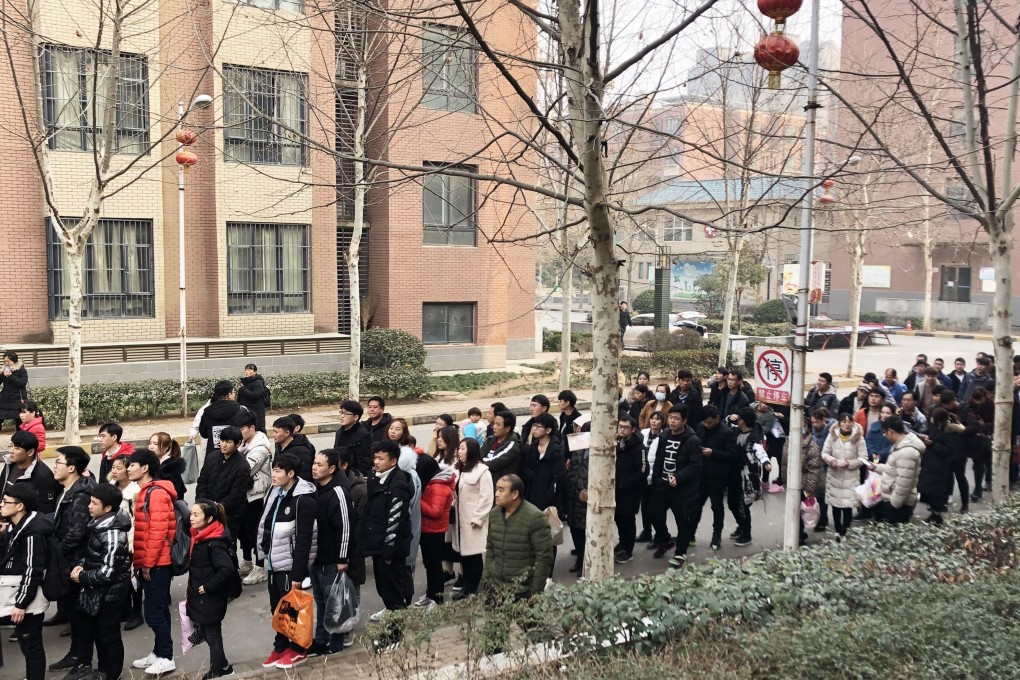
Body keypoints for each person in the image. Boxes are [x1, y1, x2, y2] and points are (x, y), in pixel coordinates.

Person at [257, 454, 318, 670]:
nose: (273, 475)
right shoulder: (276, 493)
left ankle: (299, 649)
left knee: (292, 611)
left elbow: (304, 542)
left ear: (291, 474)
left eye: (278, 471)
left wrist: (297, 575)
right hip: (274, 564)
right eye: (273, 470)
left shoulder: (304, 500)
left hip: (290, 567)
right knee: (278, 609)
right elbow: (266, 526)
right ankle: (281, 646)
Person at [71, 483, 132, 680]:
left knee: (110, 637)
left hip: (110, 595)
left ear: (107, 508)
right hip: (97, 593)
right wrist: (82, 565)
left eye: (94, 503)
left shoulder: (113, 534)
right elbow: (94, 556)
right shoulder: (99, 525)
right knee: (99, 634)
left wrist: (81, 576)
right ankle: (103, 670)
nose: (89, 506)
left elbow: (107, 573)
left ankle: (113, 675)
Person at [127, 450, 178, 676]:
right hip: (152, 562)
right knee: (159, 610)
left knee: (154, 613)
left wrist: (147, 564)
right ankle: (158, 652)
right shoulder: (147, 491)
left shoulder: (156, 494)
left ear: (145, 468)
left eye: (132, 465)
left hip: (157, 563)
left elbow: (157, 533)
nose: (128, 469)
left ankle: (166, 656)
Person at [47, 446, 97, 676]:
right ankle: (75, 654)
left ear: (71, 468)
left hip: (76, 563)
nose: (54, 466)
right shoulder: (66, 490)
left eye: (58, 462)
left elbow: (77, 532)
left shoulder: (80, 495)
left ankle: (83, 660)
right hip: (66, 562)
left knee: (80, 616)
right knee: (72, 613)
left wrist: (56, 553)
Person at [0, 483, 52, 680]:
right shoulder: (17, 526)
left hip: (24, 601)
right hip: (13, 595)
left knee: (31, 645)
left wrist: (21, 604)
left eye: (5, 502)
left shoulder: (31, 533)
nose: (1, 505)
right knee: (28, 643)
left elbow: (32, 571)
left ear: (20, 506)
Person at [362, 440, 414, 629]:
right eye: (375, 457)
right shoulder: (376, 478)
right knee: (383, 585)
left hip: (390, 548)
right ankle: (389, 609)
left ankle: (396, 629)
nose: (376, 462)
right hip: (377, 542)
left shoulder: (398, 485)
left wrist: (388, 552)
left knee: (393, 588)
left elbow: (396, 521)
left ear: (393, 462)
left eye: (380, 458)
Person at [186, 500, 238, 679]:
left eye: (196, 515)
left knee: (213, 634)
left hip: (210, 596)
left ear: (208, 519)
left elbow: (227, 569)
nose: (191, 518)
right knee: (207, 632)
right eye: (191, 514)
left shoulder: (213, 543)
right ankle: (223, 666)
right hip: (202, 596)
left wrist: (207, 587)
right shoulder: (199, 536)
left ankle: (216, 671)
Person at [309, 449, 353, 655]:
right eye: (314, 463)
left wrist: (342, 559)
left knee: (334, 605)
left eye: (320, 465)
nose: (314, 468)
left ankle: (335, 645)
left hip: (332, 561)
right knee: (320, 602)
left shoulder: (338, 492)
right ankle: (320, 640)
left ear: (332, 469)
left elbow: (345, 528)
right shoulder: (316, 489)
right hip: (316, 559)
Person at [483, 474, 553, 598]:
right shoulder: (494, 514)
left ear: (515, 494)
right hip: (495, 587)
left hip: (521, 590)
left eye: (501, 490)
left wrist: (534, 592)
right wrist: (487, 577)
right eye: (496, 489)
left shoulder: (535, 518)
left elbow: (544, 558)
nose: (496, 494)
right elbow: (490, 548)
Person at [649, 405, 702, 568]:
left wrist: (678, 477)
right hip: (662, 484)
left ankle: (680, 553)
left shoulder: (692, 440)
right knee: (654, 514)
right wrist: (656, 478)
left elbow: (695, 466)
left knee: (682, 521)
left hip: (681, 488)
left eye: (676, 418)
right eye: (670, 417)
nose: (672, 421)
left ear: (684, 421)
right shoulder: (664, 435)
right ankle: (665, 540)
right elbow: (659, 458)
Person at [196, 426, 251, 542]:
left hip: (229, 515)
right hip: (207, 510)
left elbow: (236, 495)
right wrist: (202, 503)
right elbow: (202, 481)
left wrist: (217, 508)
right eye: (222, 440)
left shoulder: (242, 466)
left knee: (226, 545)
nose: (223, 445)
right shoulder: (212, 457)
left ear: (238, 444)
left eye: (228, 442)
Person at [693, 405, 736, 551]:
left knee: (717, 507)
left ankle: (716, 536)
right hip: (700, 474)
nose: (707, 425)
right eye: (705, 422)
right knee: (695, 506)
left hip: (717, 477)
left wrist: (714, 453)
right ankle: (690, 533)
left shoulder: (727, 433)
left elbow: (732, 455)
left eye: (710, 422)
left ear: (717, 418)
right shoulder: (701, 427)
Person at [865, 416, 923, 525]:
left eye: (885, 433)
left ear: (890, 431)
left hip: (899, 504)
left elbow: (904, 482)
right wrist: (876, 467)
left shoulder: (907, 452)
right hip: (893, 499)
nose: (885, 436)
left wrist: (894, 504)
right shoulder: (900, 447)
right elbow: (894, 469)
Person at [109, 456, 144, 631]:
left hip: (130, 540)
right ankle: (123, 610)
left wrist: (133, 542)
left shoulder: (135, 492)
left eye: (119, 468)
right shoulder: (110, 488)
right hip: (113, 540)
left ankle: (136, 612)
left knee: (133, 580)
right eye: (113, 467)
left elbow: (137, 520)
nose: (115, 471)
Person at [238, 412, 273, 585]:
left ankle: (260, 568)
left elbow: (244, 470)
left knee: (254, 532)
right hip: (243, 495)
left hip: (255, 495)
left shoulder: (259, 448)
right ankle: (247, 562)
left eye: (242, 428)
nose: (240, 431)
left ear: (252, 427)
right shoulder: (244, 444)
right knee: (243, 532)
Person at [821, 413, 866, 539]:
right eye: (844, 421)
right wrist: (832, 461)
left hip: (850, 477)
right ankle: (837, 529)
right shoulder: (832, 436)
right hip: (835, 475)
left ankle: (845, 531)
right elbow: (824, 453)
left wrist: (849, 463)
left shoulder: (859, 438)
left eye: (849, 421)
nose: (847, 424)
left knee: (847, 506)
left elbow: (863, 458)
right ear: (839, 423)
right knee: (835, 505)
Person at [416, 453, 453, 607]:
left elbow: (435, 511)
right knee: (429, 565)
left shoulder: (439, 486)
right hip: (427, 531)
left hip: (434, 532)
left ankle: (437, 599)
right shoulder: (432, 483)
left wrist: (418, 500)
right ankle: (431, 594)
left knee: (434, 566)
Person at [730, 408, 769, 548]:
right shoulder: (738, 432)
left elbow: (760, 451)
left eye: (740, 419)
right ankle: (741, 525)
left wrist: (766, 462)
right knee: (732, 504)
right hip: (734, 475)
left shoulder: (754, 438)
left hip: (747, 478)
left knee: (742, 506)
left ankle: (746, 533)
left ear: (744, 421)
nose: (737, 421)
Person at [917, 408, 961, 525]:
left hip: (940, 465)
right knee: (926, 490)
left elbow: (949, 450)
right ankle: (933, 512)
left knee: (936, 492)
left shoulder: (950, 431)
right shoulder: (933, 427)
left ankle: (937, 515)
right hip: (928, 462)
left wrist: (934, 444)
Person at [781, 426, 822, 545]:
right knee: (793, 509)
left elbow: (814, 469)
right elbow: (784, 463)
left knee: (799, 511)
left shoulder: (812, 446)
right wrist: (783, 478)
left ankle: (798, 536)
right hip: (790, 482)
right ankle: (795, 533)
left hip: (803, 484)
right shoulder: (788, 441)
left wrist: (809, 488)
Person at [0, 430, 58, 514]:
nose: (11, 451)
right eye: (11, 446)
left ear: (30, 452)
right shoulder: (9, 464)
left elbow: (45, 510)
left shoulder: (44, 476)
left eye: (17, 448)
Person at [521, 413, 567, 518]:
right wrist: (532, 477)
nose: (535, 429)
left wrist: (549, 494)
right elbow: (525, 467)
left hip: (549, 501)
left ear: (548, 430)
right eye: (534, 426)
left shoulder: (555, 451)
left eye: (539, 426)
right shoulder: (533, 447)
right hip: (532, 497)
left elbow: (559, 477)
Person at [612, 416, 645, 564]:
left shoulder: (638, 447)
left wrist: (626, 483)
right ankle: (622, 542)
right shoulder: (617, 443)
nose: (622, 429)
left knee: (627, 521)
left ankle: (628, 549)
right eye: (620, 426)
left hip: (630, 491)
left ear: (633, 430)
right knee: (618, 518)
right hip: (616, 490)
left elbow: (643, 470)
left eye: (626, 427)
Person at [337, 447, 367, 592]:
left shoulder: (358, 489)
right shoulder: (322, 484)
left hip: (352, 549)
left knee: (352, 593)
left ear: (344, 465)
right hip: (331, 551)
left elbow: (361, 522)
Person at [199, 380, 248, 460]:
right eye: (233, 392)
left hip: (213, 456)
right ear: (229, 395)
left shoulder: (208, 412)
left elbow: (204, 433)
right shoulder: (240, 410)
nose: (234, 394)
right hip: (235, 456)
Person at [637, 411, 666, 544]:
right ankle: (646, 531)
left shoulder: (664, 436)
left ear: (662, 422)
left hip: (656, 477)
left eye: (657, 419)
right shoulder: (643, 433)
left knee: (655, 509)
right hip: (643, 476)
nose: (654, 421)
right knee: (644, 506)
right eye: (652, 419)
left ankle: (660, 535)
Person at [333, 400, 372, 477]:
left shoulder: (363, 436)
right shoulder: (339, 432)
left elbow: (363, 463)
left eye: (346, 414)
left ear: (356, 417)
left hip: (354, 476)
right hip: (340, 473)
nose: (341, 416)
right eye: (341, 412)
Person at [481, 410, 523, 480]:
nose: (494, 427)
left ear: (507, 429)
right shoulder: (490, 440)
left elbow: (494, 463)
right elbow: (478, 455)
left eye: (498, 425)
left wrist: (477, 462)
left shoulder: (513, 445)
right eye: (494, 423)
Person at [272, 416, 314, 482]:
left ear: (287, 433)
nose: (273, 435)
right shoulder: (279, 446)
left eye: (276, 432)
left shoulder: (301, 451)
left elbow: (304, 476)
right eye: (273, 431)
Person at [149, 433, 187, 503]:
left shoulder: (171, 467)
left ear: (166, 447)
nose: (151, 447)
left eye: (155, 444)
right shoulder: (152, 463)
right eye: (150, 443)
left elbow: (178, 492)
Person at [0, 351, 29, 432]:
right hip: (5, 400)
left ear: (14, 360)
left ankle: (18, 442)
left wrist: (11, 376)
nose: (6, 363)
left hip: (18, 400)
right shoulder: (4, 369)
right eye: (4, 361)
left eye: (8, 361)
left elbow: (22, 383)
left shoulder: (21, 370)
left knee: (19, 423)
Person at [237, 364, 269, 433]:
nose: (247, 372)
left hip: (256, 410)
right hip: (246, 409)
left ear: (255, 372)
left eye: (249, 370)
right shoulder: (244, 382)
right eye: (245, 370)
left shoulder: (258, 382)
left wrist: (243, 389)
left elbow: (255, 395)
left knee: (258, 429)